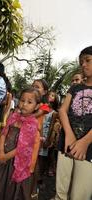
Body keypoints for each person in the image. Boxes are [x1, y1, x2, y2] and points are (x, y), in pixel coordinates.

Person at [0, 87, 41, 200]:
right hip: (3, 159)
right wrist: (1, 152)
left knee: (11, 188)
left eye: (29, 102)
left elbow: (23, 147)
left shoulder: (32, 124)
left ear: (37, 106)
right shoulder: (13, 117)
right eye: (22, 100)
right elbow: (3, 134)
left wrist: (5, 157)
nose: (24, 104)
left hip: (16, 162)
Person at [55, 46, 92, 200]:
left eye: (88, 60)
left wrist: (85, 141)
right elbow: (62, 110)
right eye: (81, 62)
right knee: (61, 191)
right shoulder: (75, 87)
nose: (83, 65)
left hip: (88, 149)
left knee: (79, 194)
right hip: (66, 143)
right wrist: (69, 135)